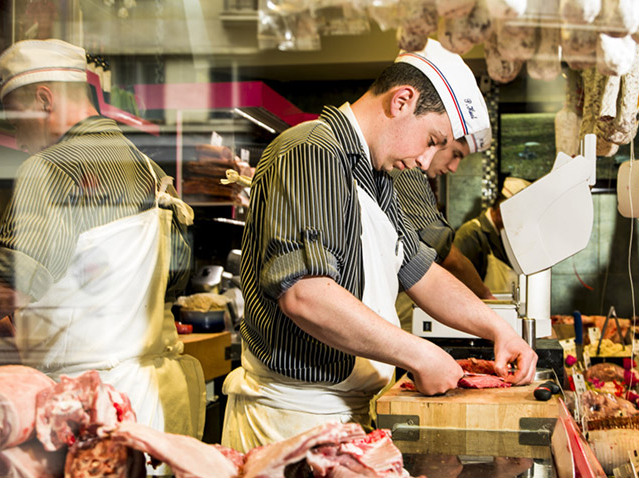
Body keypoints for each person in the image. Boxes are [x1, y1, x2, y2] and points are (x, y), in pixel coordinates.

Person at [222, 39, 537, 452]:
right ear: (402, 101)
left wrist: (498, 329)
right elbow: (305, 295)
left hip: (347, 413)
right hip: (294, 419)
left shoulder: (378, 177)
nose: (427, 162)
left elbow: (420, 272)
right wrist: (418, 354)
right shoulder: (311, 151)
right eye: (432, 139)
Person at [0, 39, 205, 441]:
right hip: (149, 401)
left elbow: (2, 291)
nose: (20, 140)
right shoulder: (146, 167)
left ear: (44, 100)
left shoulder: (52, 166)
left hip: (85, 408)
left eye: (15, 121)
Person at [392, 118, 495, 331]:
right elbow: (445, 252)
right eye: (455, 154)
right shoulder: (405, 169)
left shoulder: (415, 173)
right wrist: (486, 299)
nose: (454, 168)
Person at [453, 176, 531, 295]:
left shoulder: (502, 236)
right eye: (517, 217)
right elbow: (458, 286)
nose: (519, 224)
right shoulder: (471, 234)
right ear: (502, 211)